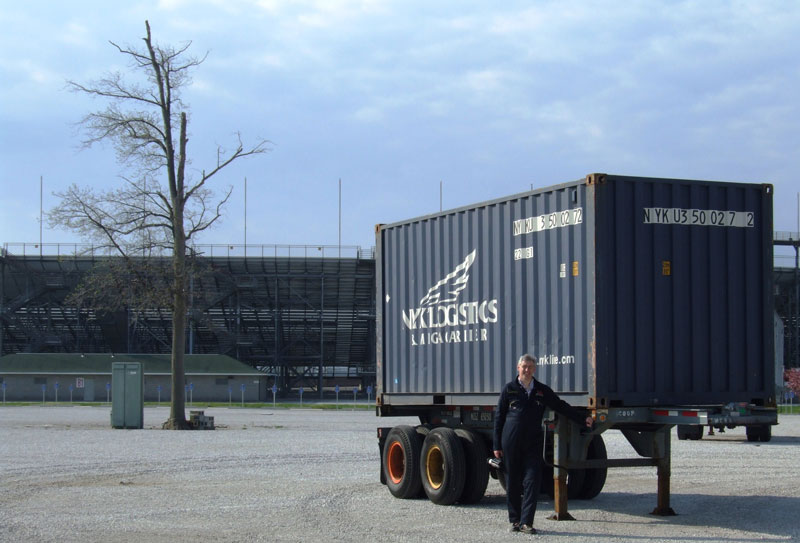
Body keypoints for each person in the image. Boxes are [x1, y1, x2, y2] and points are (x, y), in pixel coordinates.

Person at [493, 354, 593, 534]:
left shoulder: (541, 390)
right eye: (524, 366)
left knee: (532, 480)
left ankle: (526, 523)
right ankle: (515, 521)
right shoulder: (509, 389)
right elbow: (499, 418)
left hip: (532, 443)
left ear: (535, 369)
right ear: (518, 368)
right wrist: (496, 445)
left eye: (530, 367)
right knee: (513, 482)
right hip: (511, 442)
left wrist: (582, 418)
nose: (527, 370)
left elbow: (560, 406)